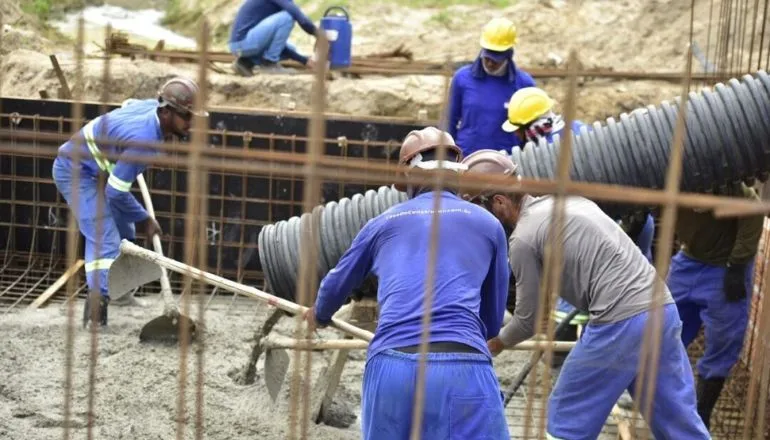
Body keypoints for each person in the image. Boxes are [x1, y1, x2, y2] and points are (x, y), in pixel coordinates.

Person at [461, 150, 711, 439]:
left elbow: (528, 321)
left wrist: (493, 345)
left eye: (480, 207)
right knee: (677, 421)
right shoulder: (568, 201)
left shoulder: (524, 239)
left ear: (500, 202)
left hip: (620, 320)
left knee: (567, 415)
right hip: (662, 308)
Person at [303, 127, 511, 440]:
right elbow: (492, 323)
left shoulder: (382, 222)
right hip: (463, 367)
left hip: (392, 368)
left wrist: (318, 315)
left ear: (408, 176)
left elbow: (336, 284)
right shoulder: (489, 225)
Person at [52, 77, 206, 328]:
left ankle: (120, 294)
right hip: (76, 172)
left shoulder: (150, 107)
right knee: (105, 239)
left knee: (125, 233)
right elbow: (115, 193)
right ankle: (95, 313)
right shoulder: (144, 142)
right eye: (187, 117)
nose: (191, 124)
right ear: (166, 112)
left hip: (99, 169)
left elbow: (129, 103)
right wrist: (145, 218)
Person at [667, 182, 764, 430]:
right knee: (663, 324)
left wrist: (738, 265)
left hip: (724, 267)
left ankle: (701, 412)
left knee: (725, 339)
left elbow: (753, 209)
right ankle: (652, 391)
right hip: (689, 261)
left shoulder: (728, 183)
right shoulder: (675, 179)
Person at [446, 17, 535, 156]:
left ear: (508, 54)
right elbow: (449, 121)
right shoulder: (462, 79)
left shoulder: (524, 85)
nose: (490, 63)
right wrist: (446, 157)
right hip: (467, 160)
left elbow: (530, 134)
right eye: (487, 57)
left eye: (496, 58)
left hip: (506, 163)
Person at [228, 0, 318, 76]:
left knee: (291, 49)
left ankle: (245, 62)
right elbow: (301, 19)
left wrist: (305, 60)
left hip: (241, 45)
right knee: (287, 17)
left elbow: (276, 45)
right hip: (243, 43)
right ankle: (269, 64)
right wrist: (320, 35)